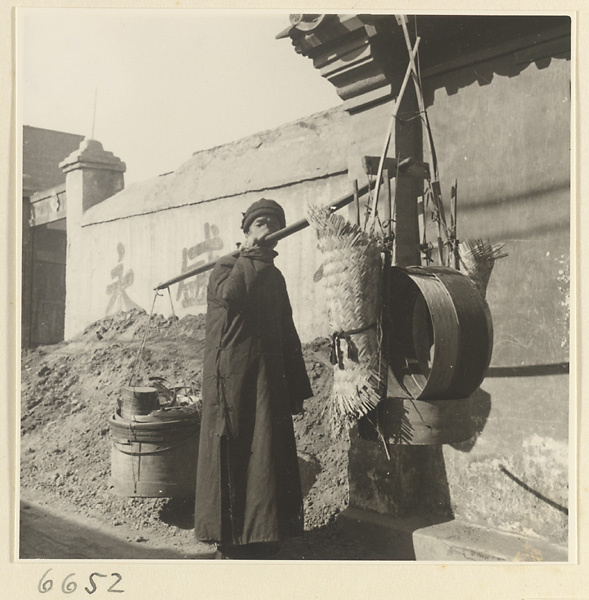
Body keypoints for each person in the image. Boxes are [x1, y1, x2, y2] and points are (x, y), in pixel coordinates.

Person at [194, 198, 313, 559]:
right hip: (233, 383)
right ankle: (231, 541)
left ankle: (266, 535)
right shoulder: (226, 268)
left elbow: (286, 330)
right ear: (246, 233)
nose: (266, 229)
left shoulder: (274, 276)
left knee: (268, 457)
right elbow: (232, 296)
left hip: (269, 382)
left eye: (272, 224)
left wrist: (295, 386)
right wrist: (247, 257)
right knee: (238, 455)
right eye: (259, 223)